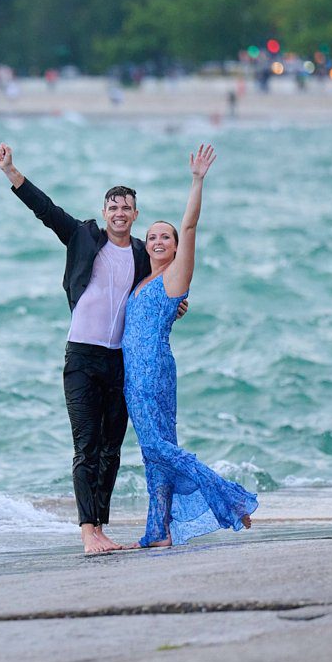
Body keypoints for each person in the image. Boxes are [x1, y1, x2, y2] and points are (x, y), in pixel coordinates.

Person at [0, 142, 185, 554]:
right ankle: (86, 532)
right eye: (112, 207)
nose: (119, 213)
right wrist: (12, 172)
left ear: (135, 215)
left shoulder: (139, 251)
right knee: (86, 445)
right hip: (81, 356)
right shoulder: (83, 236)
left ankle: (101, 526)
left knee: (112, 449)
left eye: (126, 208)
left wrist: (177, 305)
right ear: (105, 213)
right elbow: (45, 210)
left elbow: (161, 283)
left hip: (119, 360)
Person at [121, 144, 257, 548]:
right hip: (136, 375)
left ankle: (230, 498)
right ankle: (158, 531)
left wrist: (196, 180)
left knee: (157, 446)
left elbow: (192, 225)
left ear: (177, 247)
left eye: (165, 237)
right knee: (155, 454)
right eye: (151, 237)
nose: (157, 241)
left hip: (153, 371)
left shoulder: (175, 277)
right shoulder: (144, 280)